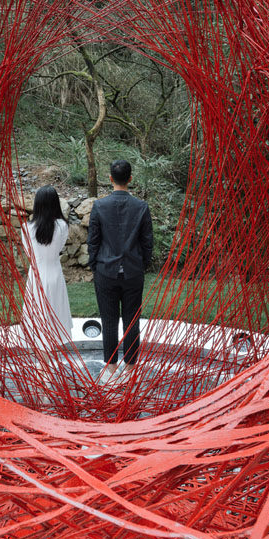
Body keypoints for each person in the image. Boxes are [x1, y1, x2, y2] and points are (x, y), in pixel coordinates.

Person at [87, 159, 153, 377]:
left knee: (108, 320)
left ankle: (111, 367)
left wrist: (95, 264)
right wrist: (141, 264)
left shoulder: (99, 206)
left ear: (110, 178)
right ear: (130, 179)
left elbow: (93, 241)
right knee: (132, 320)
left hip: (106, 271)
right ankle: (131, 368)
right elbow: (147, 242)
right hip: (133, 272)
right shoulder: (141, 207)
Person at [21, 186, 73, 354]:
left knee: (38, 317)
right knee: (54, 315)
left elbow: (29, 253)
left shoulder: (26, 227)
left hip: (36, 276)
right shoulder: (62, 226)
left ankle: (44, 365)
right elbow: (59, 247)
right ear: (55, 203)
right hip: (55, 274)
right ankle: (48, 362)